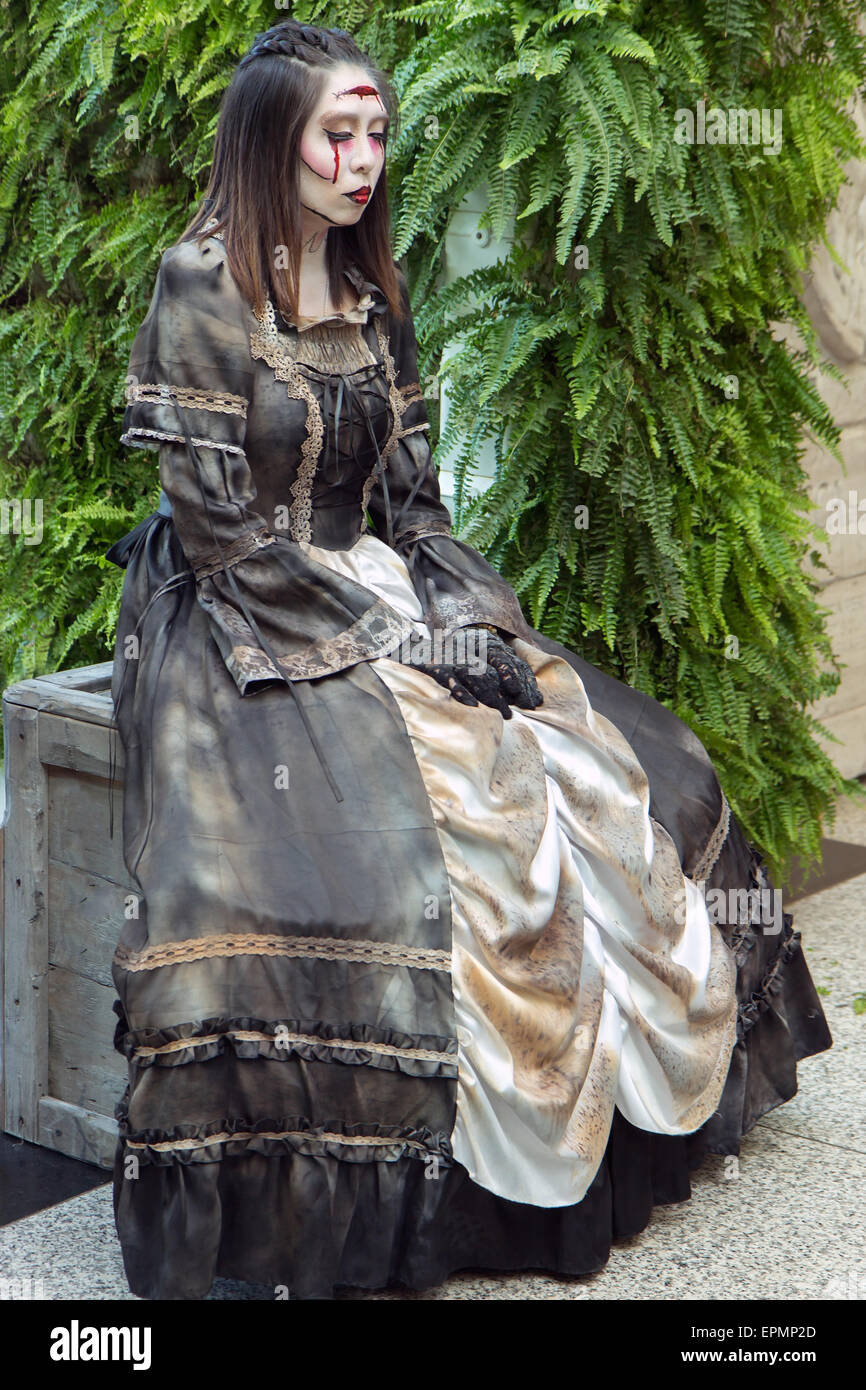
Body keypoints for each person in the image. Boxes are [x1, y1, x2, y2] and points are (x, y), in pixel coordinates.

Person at [105, 18, 831, 1301]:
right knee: (383, 872)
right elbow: (217, 532)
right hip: (242, 611)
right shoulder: (202, 283)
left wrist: (457, 618)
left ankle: (602, 1133)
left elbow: (412, 502)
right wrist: (377, 639)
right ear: (275, 136)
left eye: (378, 131)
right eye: (340, 131)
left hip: (372, 580)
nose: (364, 155)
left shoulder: (375, 291)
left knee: (614, 777)